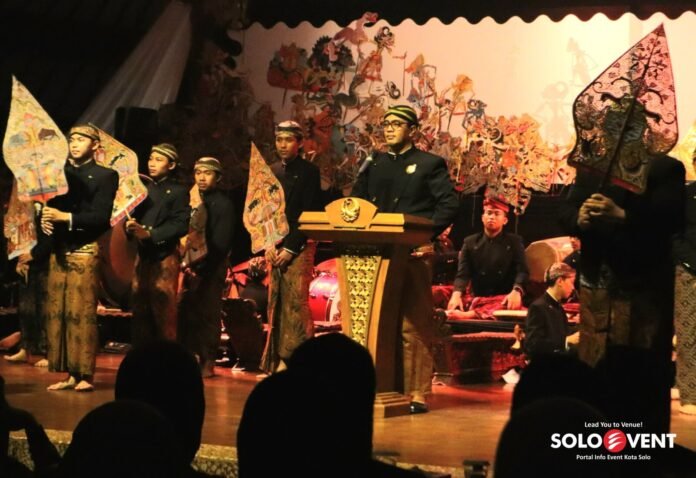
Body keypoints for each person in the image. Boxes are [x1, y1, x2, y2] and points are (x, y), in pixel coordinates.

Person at [559, 154, 685, 433]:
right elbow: (566, 209)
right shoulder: (592, 167)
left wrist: (623, 215)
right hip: (595, 287)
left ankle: (643, 444)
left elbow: (673, 219)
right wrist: (579, 218)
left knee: (641, 370)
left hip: (643, 287)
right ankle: (594, 436)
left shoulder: (665, 167)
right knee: (593, 364)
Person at [352, 105, 459, 413]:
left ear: (412, 130)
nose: (389, 128)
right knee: (377, 323)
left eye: (397, 124)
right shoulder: (374, 163)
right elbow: (356, 202)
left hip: (413, 252)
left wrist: (424, 235)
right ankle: (379, 385)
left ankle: (416, 392)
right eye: (386, 124)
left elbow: (449, 204)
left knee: (412, 324)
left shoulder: (428, 163)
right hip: (378, 252)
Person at [41, 124, 118, 392]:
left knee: (81, 313)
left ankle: (85, 373)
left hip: (85, 248)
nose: (74, 143)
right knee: (59, 312)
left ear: (95, 145)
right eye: (72, 139)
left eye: (81, 139)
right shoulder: (60, 174)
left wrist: (66, 217)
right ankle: (68, 373)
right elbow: (52, 207)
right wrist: (45, 217)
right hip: (60, 249)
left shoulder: (106, 175)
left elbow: (101, 217)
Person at [260, 121, 322, 373]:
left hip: (298, 245)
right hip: (274, 244)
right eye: (279, 140)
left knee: (295, 305)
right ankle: (276, 358)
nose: (283, 145)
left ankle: (298, 361)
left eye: (288, 140)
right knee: (275, 304)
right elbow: (264, 212)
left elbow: (307, 213)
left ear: (299, 143)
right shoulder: (272, 171)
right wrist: (268, 243)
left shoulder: (309, 172)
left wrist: (290, 248)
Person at [126, 143, 189, 346]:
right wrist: (129, 226)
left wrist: (151, 234)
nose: (152, 163)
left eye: (159, 160)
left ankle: (166, 355)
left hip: (164, 255)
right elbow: (134, 216)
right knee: (140, 309)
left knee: (163, 309)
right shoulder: (143, 190)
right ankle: (141, 354)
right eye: (151, 159)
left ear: (171, 165)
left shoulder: (178, 191)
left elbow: (180, 224)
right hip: (143, 256)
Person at [177, 157, 235, 378]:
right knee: (185, 312)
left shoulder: (223, 204)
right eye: (198, 172)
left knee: (208, 313)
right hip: (188, 265)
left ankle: (208, 360)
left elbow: (221, 242)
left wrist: (202, 269)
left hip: (211, 267)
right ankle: (186, 357)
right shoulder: (191, 202)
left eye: (207, 173)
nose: (201, 177)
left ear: (217, 178)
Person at [447, 197, 529, 319]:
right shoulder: (470, 242)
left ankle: (469, 315)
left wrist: (517, 291)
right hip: (477, 296)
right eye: (489, 213)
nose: (492, 217)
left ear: (505, 220)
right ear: (482, 217)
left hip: (503, 297)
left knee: (505, 306)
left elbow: (522, 271)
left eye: (497, 214)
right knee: (439, 293)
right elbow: (463, 274)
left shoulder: (514, 242)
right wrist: (456, 294)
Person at [672, 148, 696, 416]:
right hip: (689, 270)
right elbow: (674, 236)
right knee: (688, 333)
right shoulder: (686, 197)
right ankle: (690, 394)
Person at [524, 262, 579, 360]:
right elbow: (533, 344)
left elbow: (563, 333)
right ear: (560, 281)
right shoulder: (538, 307)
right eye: (571, 282)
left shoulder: (559, 307)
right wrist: (566, 341)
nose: (573, 288)